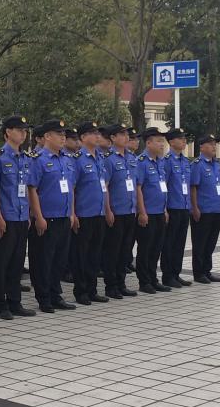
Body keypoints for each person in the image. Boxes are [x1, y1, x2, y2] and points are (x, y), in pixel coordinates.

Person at [28, 119, 76, 313]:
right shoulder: (37, 159)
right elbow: (32, 189)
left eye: (64, 134)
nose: (63, 137)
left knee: (59, 260)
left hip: (64, 216)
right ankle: (44, 297)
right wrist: (38, 216)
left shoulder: (66, 159)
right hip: (47, 218)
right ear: (47, 136)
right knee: (44, 260)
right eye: (59, 134)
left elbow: (70, 188)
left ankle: (56, 295)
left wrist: (71, 212)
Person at [0, 115, 35, 320]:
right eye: (19, 130)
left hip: (21, 216)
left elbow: (26, 188)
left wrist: (28, 213)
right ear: (8, 132)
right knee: (2, 263)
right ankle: (0, 305)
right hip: (6, 216)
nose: (23, 134)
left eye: (25, 130)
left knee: (17, 262)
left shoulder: (25, 158)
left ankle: (15, 302)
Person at [70, 121, 108, 305]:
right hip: (84, 214)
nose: (97, 136)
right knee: (81, 255)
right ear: (83, 137)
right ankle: (81, 291)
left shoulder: (100, 158)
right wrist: (73, 213)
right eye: (93, 133)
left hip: (99, 213)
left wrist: (107, 209)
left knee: (95, 254)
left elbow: (104, 186)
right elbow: (72, 188)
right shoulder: (77, 159)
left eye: (98, 133)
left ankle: (92, 290)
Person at [102, 124, 139, 298]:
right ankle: (111, 286)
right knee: (113, 251)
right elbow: (105, 186)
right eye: (122, 134)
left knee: (125, 250)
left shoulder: (131, 158)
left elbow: (135, 185)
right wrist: (108, 210)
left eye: (127, 134)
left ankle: (121, 283)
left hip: (130, 210)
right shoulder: (108, 159)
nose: (126, 137)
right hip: (116, 211)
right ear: (113, 138)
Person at [134, 127, 171, 294]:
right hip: (147, 212)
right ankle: (144, 281)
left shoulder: (160, 162)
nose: (162, 144)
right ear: (148, 143)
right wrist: (142, 212)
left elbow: (162, 188)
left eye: (162, 141)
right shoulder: (141, 162)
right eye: (158, 141)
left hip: (159, 212)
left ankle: (153, 278)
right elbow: (138, 188)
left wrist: (164, 209)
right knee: (145, 248)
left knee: (156, 248)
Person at [190, 133, 220, 284]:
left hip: (217, 209)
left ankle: (207, 270)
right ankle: (198, 273)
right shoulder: (197, 165)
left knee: (211, 243)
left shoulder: (217, 164)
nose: (214, 147)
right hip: (203, 210)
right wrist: (195, 208)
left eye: (214, 144)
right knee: (200, 243)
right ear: (202, 147)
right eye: (210, 144)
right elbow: (193, 187)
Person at [161, 128, 193, 288]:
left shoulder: (186, 161)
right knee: (169, 243)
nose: (184, 141)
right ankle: (167, 276)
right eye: (180, 139)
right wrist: (164, 208)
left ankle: (176, 273)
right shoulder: (167, 161)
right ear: (172, 142)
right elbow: (164, 186)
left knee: (180, 243)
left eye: (184, 138)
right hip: (172, 207)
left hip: (184, 207)